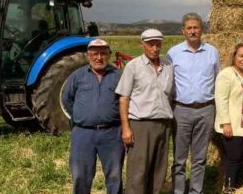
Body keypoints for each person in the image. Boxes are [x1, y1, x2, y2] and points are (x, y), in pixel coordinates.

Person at [166, 12, 221, 194]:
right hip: (181, 110)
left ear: (201, 29)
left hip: (206, 110)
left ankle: (196, 191)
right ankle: (179, 191)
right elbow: (168, 82)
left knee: (199, 158)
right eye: (189, 28)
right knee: (179, 158)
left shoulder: (212, 52)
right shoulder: (173, 53)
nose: (192, 31)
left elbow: (217, 79)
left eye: (196, 27)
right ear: (183, 31)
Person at [62, 38, 124, 194]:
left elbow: (126, 101)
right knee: (80, 176)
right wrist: (81, 117)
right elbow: (67, 99)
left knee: (114, 176)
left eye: (103, 54)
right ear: (88, 56)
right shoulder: (77, 76)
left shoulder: (118, 75)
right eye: (95, 54)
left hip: (112, 133)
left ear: (108, 55)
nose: (99, 58)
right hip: (83, 133)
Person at [115, 29, 174, 194]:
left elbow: (172, 95)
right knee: (138, 170)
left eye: (158, 44)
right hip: (141, 125)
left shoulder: (168, 66)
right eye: (150, 45)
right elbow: (123, 99)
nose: (155, 48)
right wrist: (126, 128)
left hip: (163, 124)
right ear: (142, 45)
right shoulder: (133, 67)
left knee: (159, 169)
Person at [214, 43, 243, 192]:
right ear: (234, 56)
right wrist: (226, 123)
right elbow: (221, 99)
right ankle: (229, 189)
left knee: (241, 159)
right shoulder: (227, 74)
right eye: (241, 56)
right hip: (232, 126)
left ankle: (238, 189)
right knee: (234, 159)